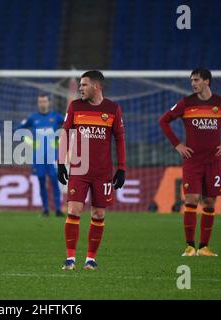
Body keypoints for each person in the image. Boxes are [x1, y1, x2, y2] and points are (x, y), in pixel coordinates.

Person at [159, 67, 221, 257]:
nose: (193, 83)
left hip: (213, 162)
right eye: (192, 80)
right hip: (193, 161)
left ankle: (204, 247)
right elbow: (163, 121)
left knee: (210, 202)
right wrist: (177, 145)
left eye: (196, 80)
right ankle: (189, 246)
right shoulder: (186, 103)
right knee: (191, 199)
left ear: (206, 81)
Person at [57, 70, 126, 270]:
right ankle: (70, 259)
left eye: (84, 85)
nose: (80, 88)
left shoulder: (112, 109)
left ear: (96, 86)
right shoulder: (75, 107)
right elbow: (65, 134)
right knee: (74, 210)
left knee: (98, 214)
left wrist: (121, 168)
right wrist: (61, 162)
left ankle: (90, 259)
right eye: (79, 85)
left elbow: (120, 139)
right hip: (79, 169)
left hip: (103, 173)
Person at [17, 94, 64, 217]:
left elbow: (70, 127)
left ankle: (58, 209)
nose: (42, 104)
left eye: (44, 101)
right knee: (41, 182)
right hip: (38, 157)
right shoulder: (33, 118)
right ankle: (45, 209)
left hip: (52, 156)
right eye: (40, 102)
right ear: (38, 103)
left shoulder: (56, 117)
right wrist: (30, 143)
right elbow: (18, 130)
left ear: (49, 103)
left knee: (55, 181)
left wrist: (59, 140)